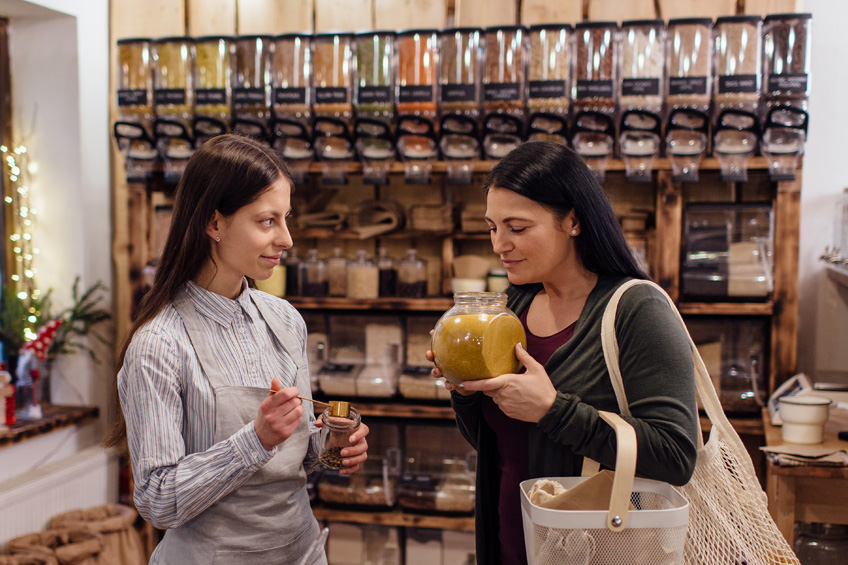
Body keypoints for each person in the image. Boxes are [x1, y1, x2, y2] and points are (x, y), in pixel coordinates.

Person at [427, 141, 699, 565]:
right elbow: (498, 442)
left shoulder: (637, 309)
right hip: (513, 539)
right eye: (492, 227)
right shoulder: (509, 309)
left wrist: (552, 410)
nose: (500, 245)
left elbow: (676, 456)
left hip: (603, 546)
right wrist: (463, 388)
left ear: (572, 220)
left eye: (517, 228)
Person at [104, 134, 369, 564]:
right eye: (267, 221)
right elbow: (156, 499)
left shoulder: (285, 320)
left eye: (286, 218)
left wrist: (331, 445)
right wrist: (255, 440)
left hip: (299, 553)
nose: (286, 238)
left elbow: (298, 457)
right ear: (214, 224)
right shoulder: (159, 344)